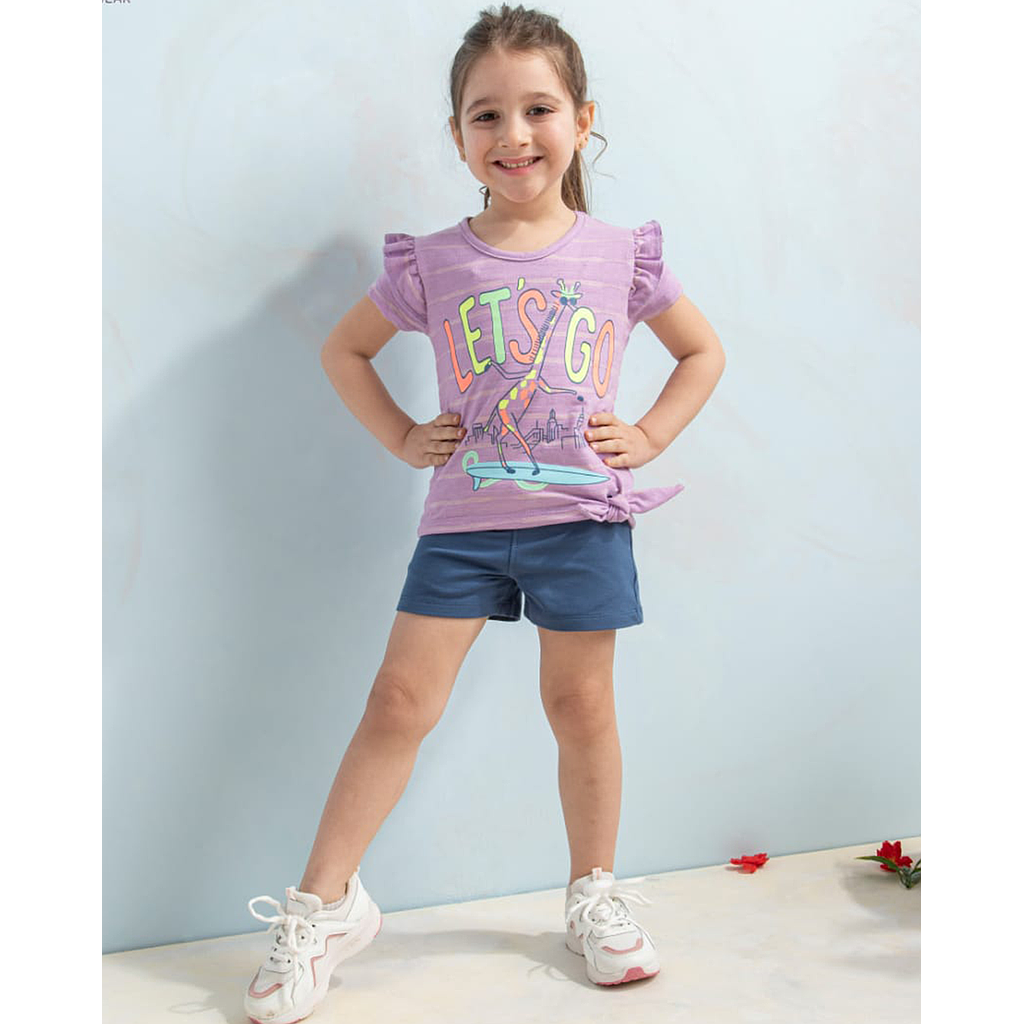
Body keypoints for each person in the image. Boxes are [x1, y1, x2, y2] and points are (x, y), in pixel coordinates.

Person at [243, 4, 726, 1021]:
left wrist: (648, 434)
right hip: (461, 525)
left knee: (580, 708)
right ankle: (324, 907)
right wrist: (401, 435)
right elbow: (345, 349)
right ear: (458, 134)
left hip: (582, 521)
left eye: (538, 108)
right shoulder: (434, 262)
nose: (514, 134)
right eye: (486, 114)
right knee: (397, 703)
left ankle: (592, 896)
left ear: (582, 120)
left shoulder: (619, 254)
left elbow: (701, 351)